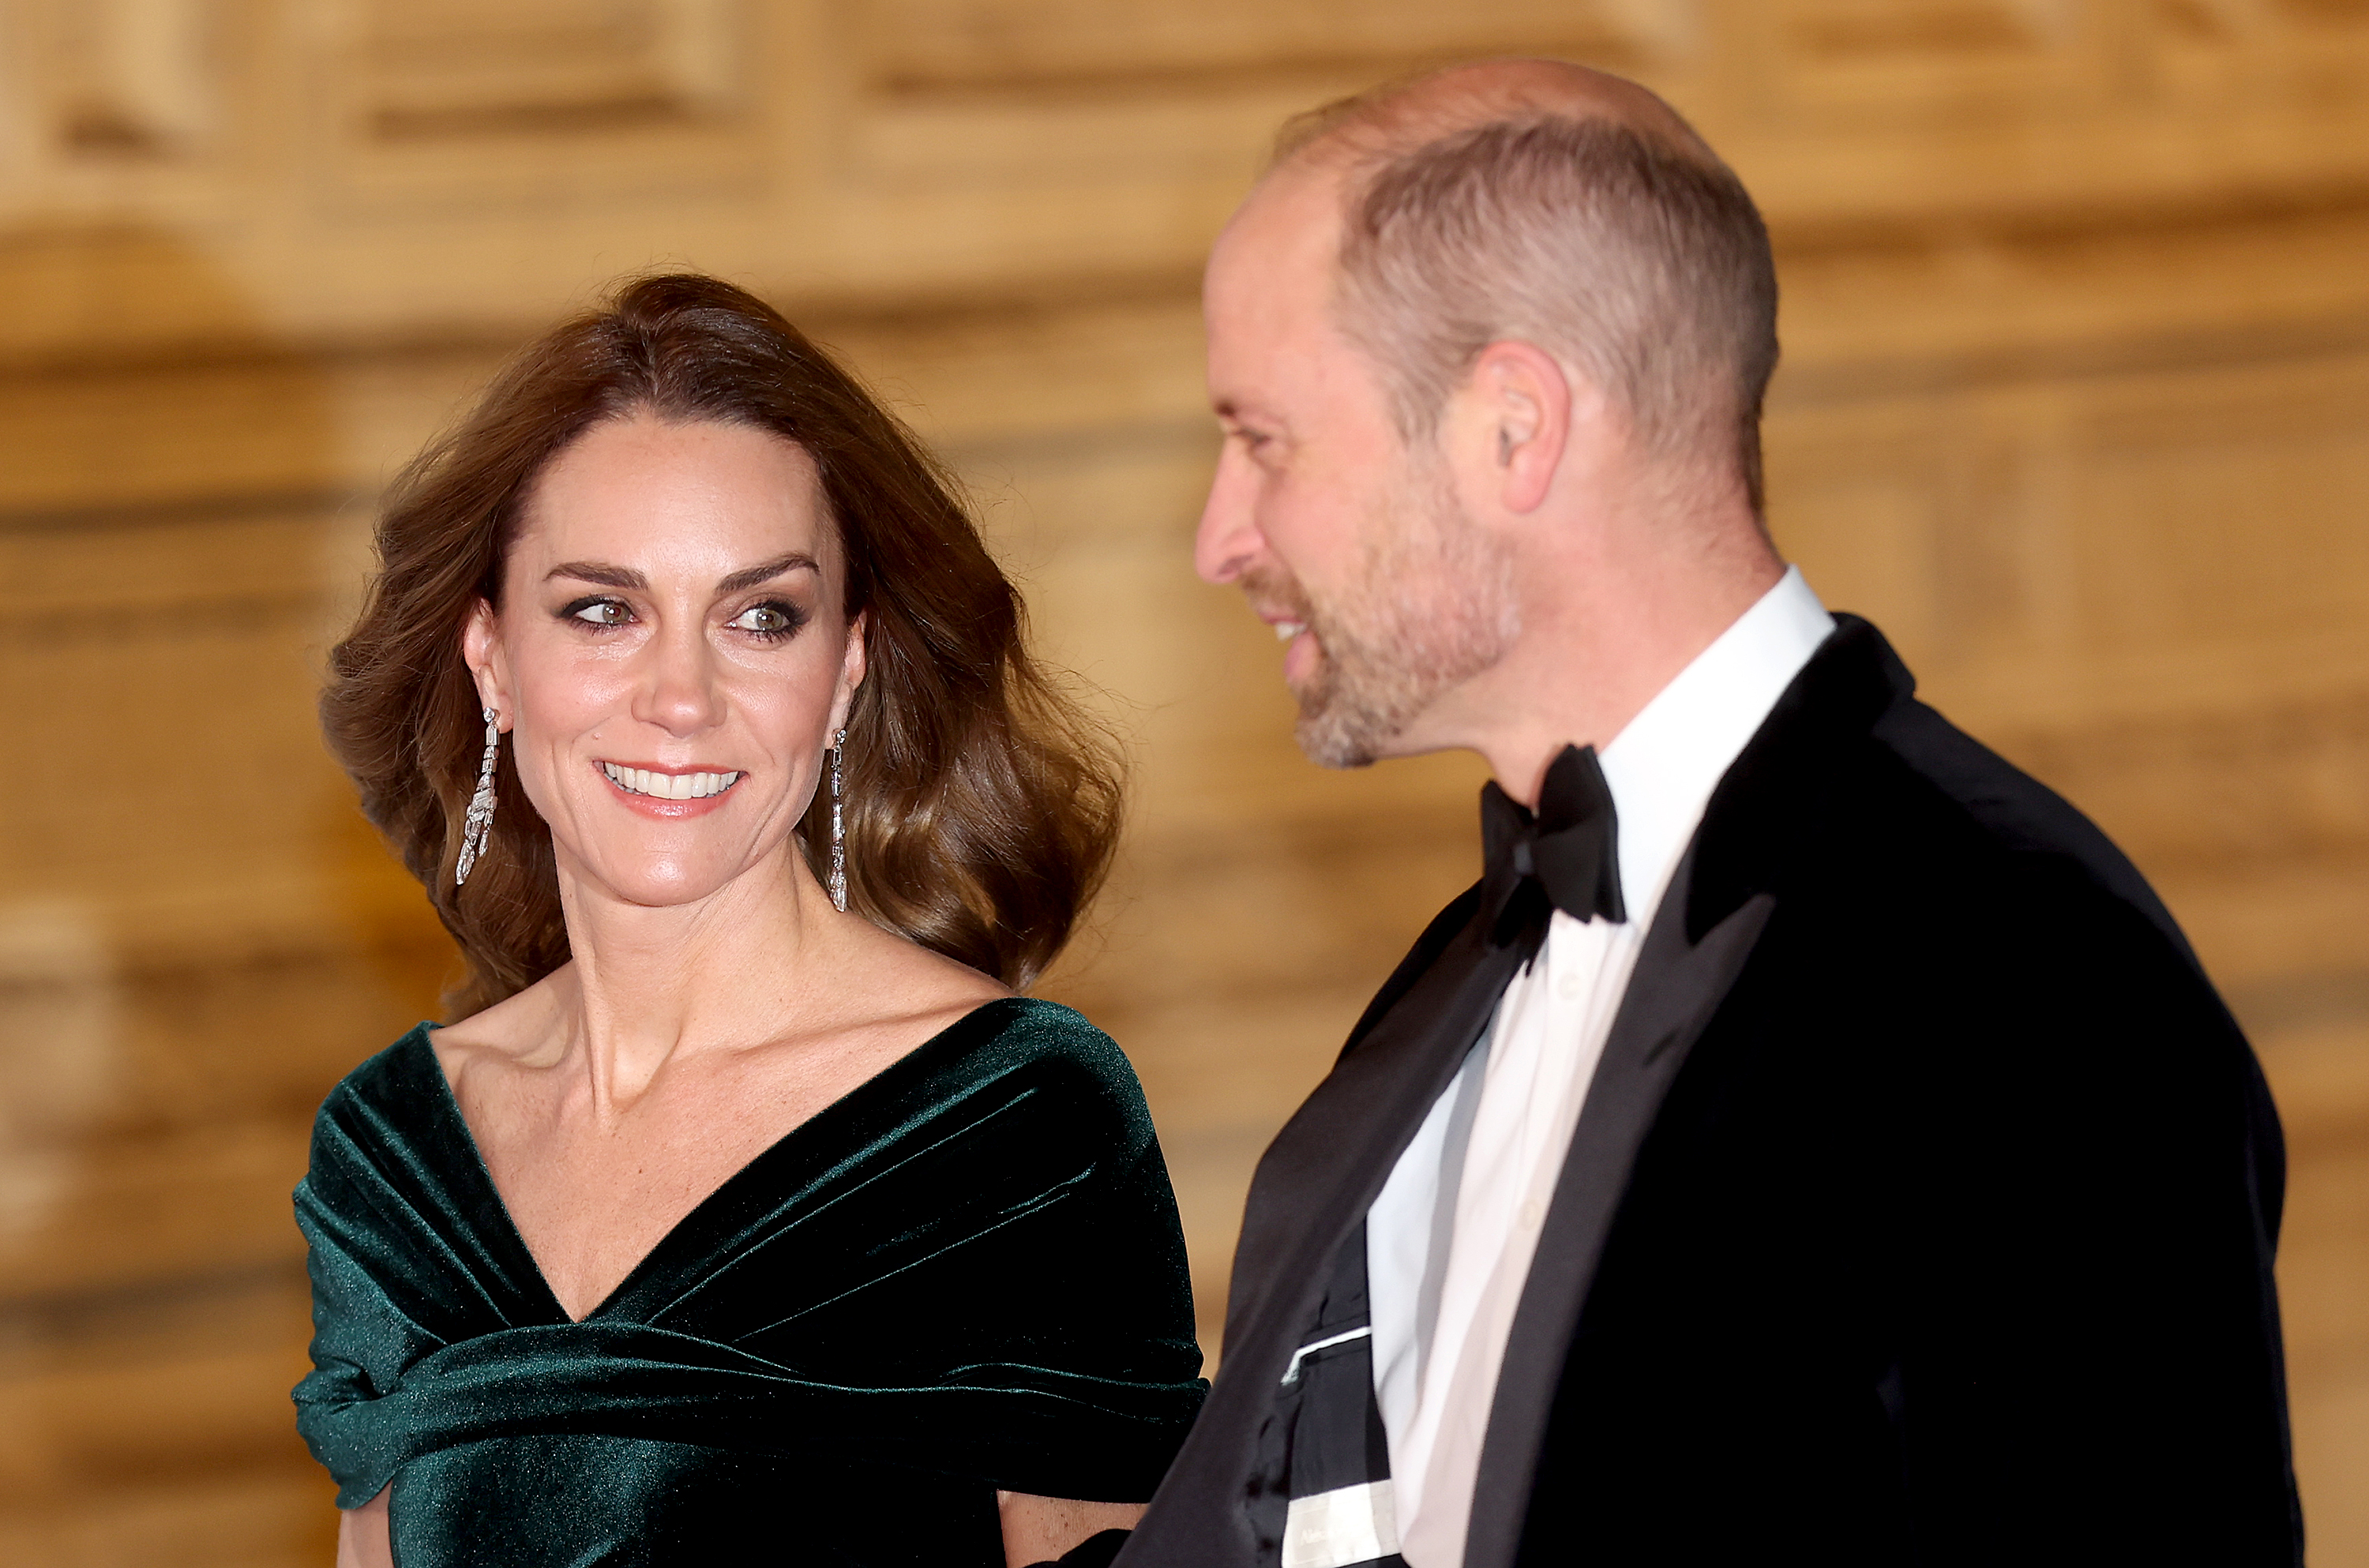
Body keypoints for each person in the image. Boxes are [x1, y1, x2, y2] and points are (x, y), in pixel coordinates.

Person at [1118, 59, 2300, 1568]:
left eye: (1266, 439)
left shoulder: (2029, 976)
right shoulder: (1472, 963)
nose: (1222, 539)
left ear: (1511, 429)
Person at [296, 274, 1204, 1568]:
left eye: (760, 616)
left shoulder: (1019, 1123)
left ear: (845, 671)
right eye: (603, 609)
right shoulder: (392, 1162)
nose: (682, 696)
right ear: (491, 657)